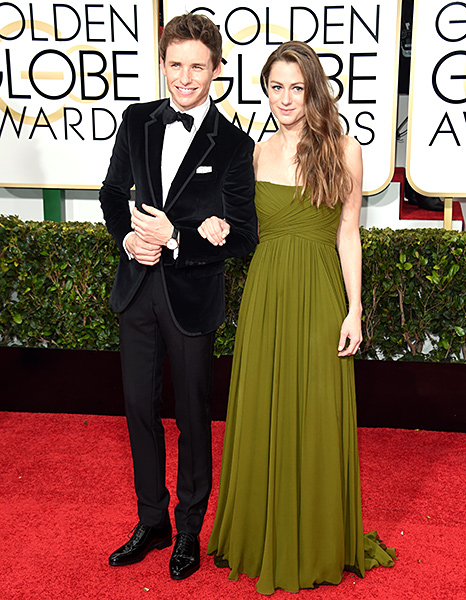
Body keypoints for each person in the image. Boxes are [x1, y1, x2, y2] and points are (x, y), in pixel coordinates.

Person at [202, 41, 395, 594]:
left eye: (296, 86)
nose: (284, 98)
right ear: (264, 89)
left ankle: (314, 536)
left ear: (313, 89)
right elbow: (242, 226)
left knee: (314, 408)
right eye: (275, 86)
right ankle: (260, 531)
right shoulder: (255, 153)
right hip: (265, 292)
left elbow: (348, 233)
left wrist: (354, 310)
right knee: (263, 405)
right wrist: (218, 227)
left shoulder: (343, 149)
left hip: (319, 294)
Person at [99, 13, 257, 581]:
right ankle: (152, 521)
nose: (185, 78)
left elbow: (243, 234)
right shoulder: (136, 119)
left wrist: (176, 239)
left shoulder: (236, 145)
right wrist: (128, 238)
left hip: (191, 296)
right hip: (136, 290)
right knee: (140, 410)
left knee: (192, 417)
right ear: (162, 65)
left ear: (217, 69)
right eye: (175, 65)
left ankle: (189, 528)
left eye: (198, 66)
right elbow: (113, 192)